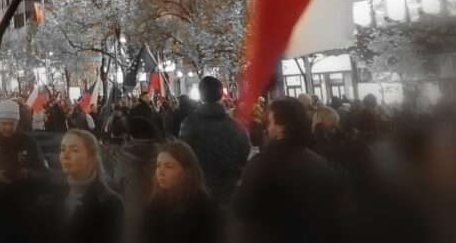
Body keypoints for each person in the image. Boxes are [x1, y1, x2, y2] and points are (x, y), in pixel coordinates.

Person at [232, 97, 344, 243]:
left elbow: (240, 208)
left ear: (282, 127)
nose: (267, 128)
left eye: (270, 122)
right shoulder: (319, 162)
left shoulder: (261, 163)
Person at [178, 76, 250, 205]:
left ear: (200, 94)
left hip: (198, 190)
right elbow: (244, 153)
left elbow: (183, 155)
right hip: (228, 189)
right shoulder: (235, 126)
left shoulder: (188, 124)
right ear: (221, 94)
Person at [141, 140, 223, 243]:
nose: (160, 172)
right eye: (158, 165)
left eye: (168, 166)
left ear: (187, 172)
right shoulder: (153, 206)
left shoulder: (205, 210)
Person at [53, 129, 124, 243]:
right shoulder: (52, 194)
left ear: (91, 158)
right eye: (62, 149)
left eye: (74, 150)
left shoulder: (110, 202)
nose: (65, 156)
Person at [0, 99, 48, 183]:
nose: (8, 128)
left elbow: (44, 172)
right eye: (4, 123)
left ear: (17, 122)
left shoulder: (28, 141)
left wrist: (28, 174)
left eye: (12, 123)